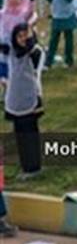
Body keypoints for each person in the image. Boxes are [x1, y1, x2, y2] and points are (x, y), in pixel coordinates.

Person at [5, 23, 44, 177]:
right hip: (15, 98)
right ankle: (25, 165)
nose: (22, 39)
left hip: (30, 97)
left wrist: (30, 40)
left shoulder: (35, 52)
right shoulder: (12, 51)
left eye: (24, 36)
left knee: (30, 134)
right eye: (19, 36)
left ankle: (34, 166)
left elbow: (36, 60)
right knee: (20, 134)